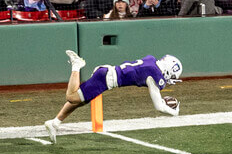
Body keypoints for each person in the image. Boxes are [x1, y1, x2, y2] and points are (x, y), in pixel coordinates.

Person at [43, 50, 181, 143]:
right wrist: (173, 112)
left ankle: (55, 123)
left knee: (82, 101)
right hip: (105, 79)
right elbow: (158, 106)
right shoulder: (154, 75)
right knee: (72, 97)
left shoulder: (151, 60)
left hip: (106, 71)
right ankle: (76, 65)